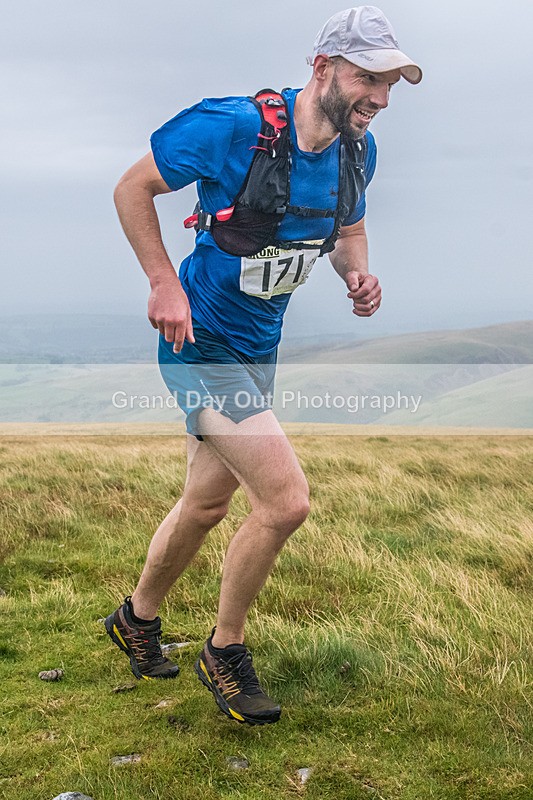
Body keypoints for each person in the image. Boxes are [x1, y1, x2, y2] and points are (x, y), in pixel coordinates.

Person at [105, 6, 422, 726]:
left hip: (259, 347)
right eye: (368, 78)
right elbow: (133, 189)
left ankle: (136, 618)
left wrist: (356, 274)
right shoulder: (228, 127)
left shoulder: (354, 152)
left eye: (391, 83)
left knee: (208, 502)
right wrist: (161, 281)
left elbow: (347, 227)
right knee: (285, 502)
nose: (379, 96)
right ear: (322, 69)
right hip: (201, 344)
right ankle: (225, 650)